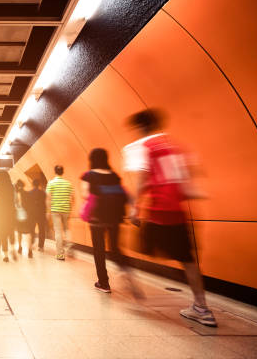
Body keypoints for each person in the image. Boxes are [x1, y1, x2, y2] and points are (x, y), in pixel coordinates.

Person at [123, 108, 216, 326]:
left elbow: (143, 179)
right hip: (178, 212)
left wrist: (135, 208)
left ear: (139, 127)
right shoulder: (175, 146)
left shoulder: (143, 146)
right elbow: (189, 175)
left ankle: (130, 285)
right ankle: (202, 307)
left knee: (135, 248)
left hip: (158, 211)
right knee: (188, 260)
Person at [80, 148, 135, 293]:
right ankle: (125, 271)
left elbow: (85, 194)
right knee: (115, 248)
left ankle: (104, 283)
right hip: (115, 217)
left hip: (97, 217)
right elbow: (124, 193)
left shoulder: (89, 175)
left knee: (99, 250)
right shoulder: (114, 175)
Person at [46, 165, 74, 260]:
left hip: (55, 210)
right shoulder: (68, 183)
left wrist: (48, 210)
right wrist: (70, 209)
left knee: (58, 232)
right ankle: (70, 245)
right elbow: (72, 198)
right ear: (63, 172)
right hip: (66, 209)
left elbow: (48, 198)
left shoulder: (51, 183)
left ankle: (60, 254)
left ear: (55, 172)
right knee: (67, 229)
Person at [0, 170, 17, 262]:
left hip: (0, 213)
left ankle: (6, 255)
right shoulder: (12, 187)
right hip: (11, 212)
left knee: (2, 233)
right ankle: (13, 248)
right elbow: (15, 199)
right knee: (11, 231)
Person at [26, 179, 47, 254]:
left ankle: (32, 243)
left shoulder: (29, 193)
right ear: (39, 184)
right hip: (41, 214)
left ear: (32, 184)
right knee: (42, 230)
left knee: (32, 229)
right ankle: (41, 246)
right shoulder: (43, 193)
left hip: (32, 214)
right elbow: (44, 204)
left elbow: (27, 205)